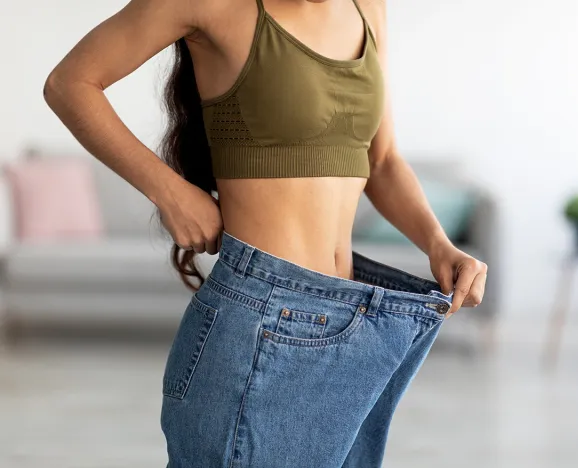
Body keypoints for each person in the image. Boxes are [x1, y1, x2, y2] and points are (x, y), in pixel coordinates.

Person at [44, 0, 488, 466]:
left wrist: (439, 244)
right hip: (262, 321)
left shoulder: (366, 7)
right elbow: (69, 83)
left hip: (357, 323)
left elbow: (382, 161)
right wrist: (170, 193)